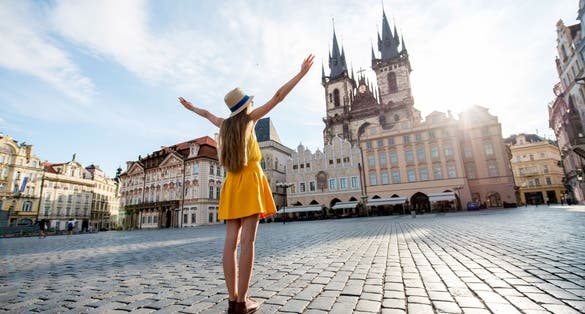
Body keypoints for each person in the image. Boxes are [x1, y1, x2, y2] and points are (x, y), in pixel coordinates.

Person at [179, 54, 314, 314]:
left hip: (231, 183)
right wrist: (300, 74)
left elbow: (207, 114)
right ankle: (243, 301)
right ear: (247, 107)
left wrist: (191, 107)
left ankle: (232, 300)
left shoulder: (225, 125)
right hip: (251, 180)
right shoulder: (249, 121)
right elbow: (278, 96)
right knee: (248, 243)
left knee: (230, 242)